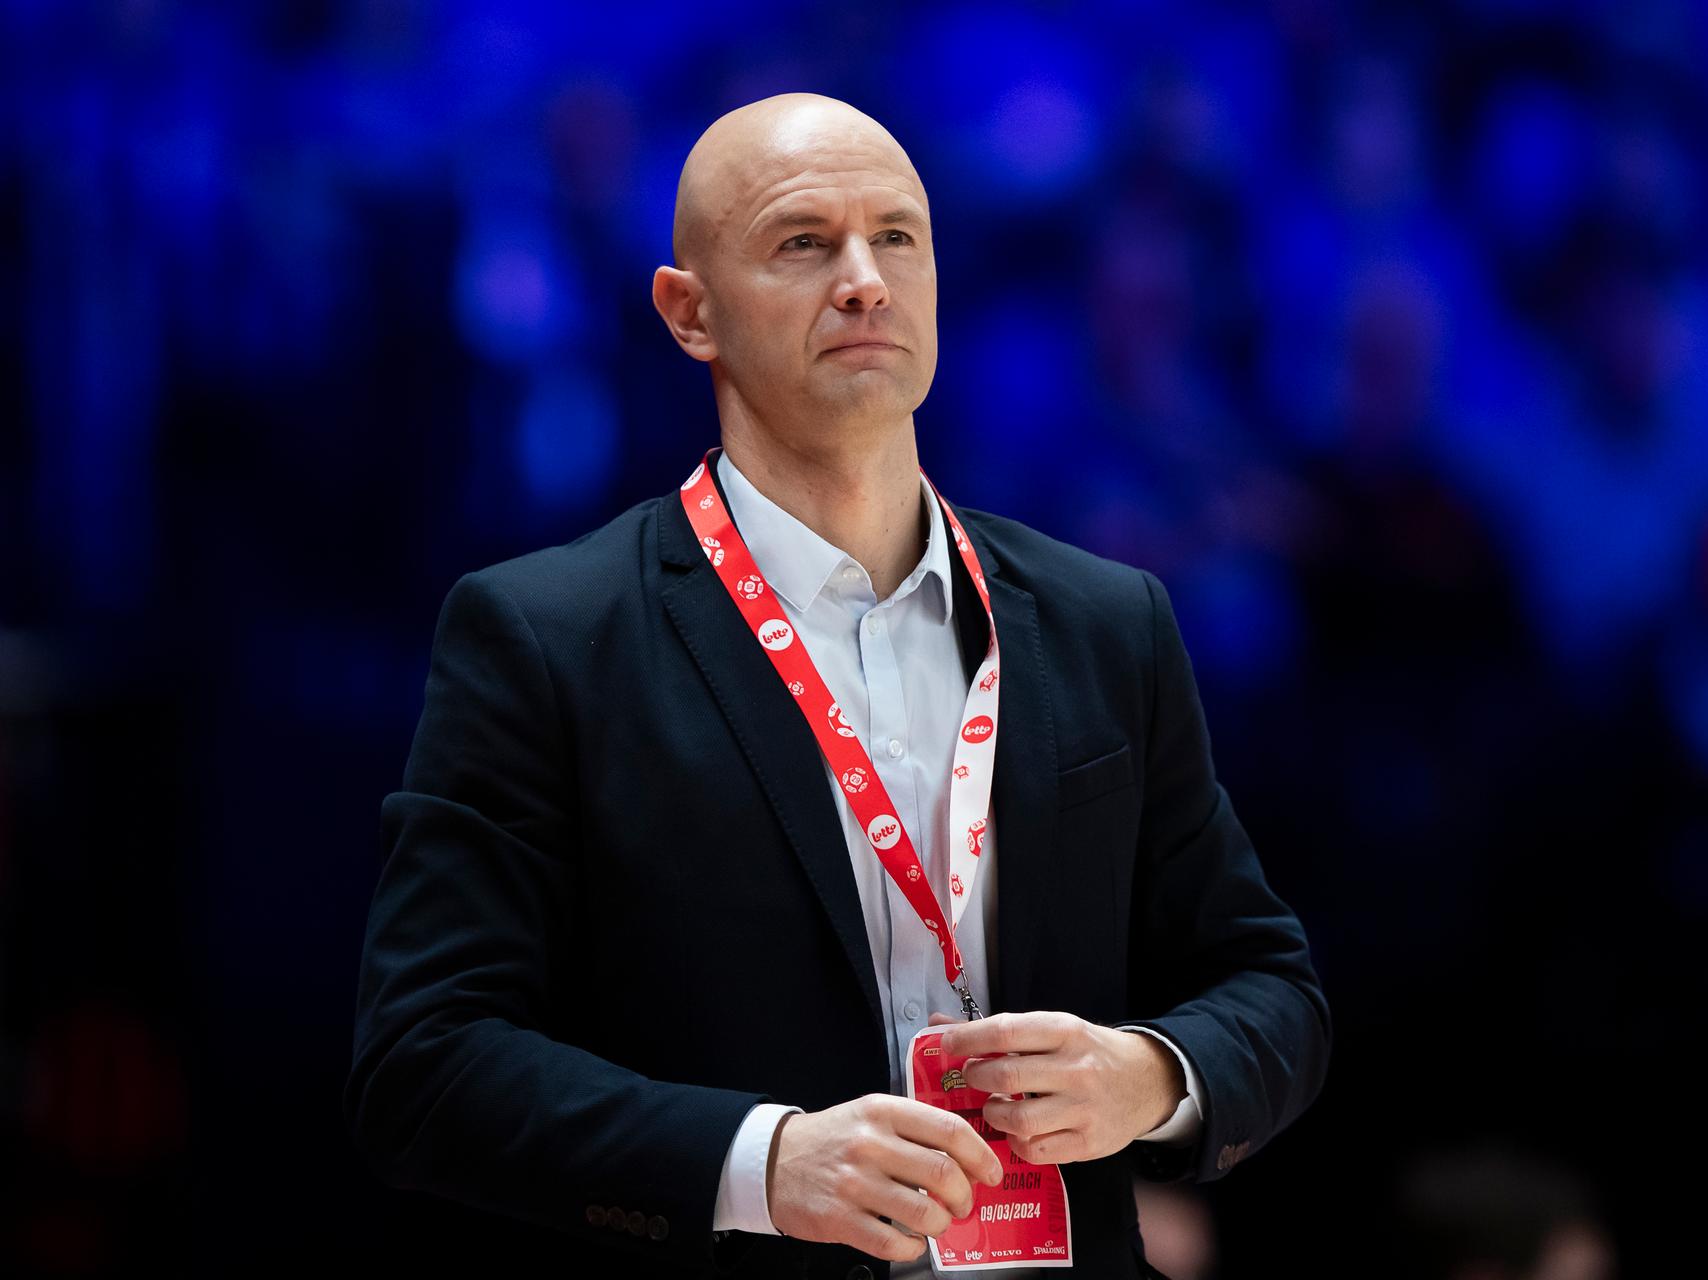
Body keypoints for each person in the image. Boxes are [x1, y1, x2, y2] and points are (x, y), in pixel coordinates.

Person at [342, 91, 1330, 1278]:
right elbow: (425, 1060)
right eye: (803, 242)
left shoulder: (1106, 619)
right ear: (688, 312)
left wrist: (1154, 1077)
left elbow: (1271, 987)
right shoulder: (546, 634)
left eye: (896, 237)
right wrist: (762, 1162)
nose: (863, 278)